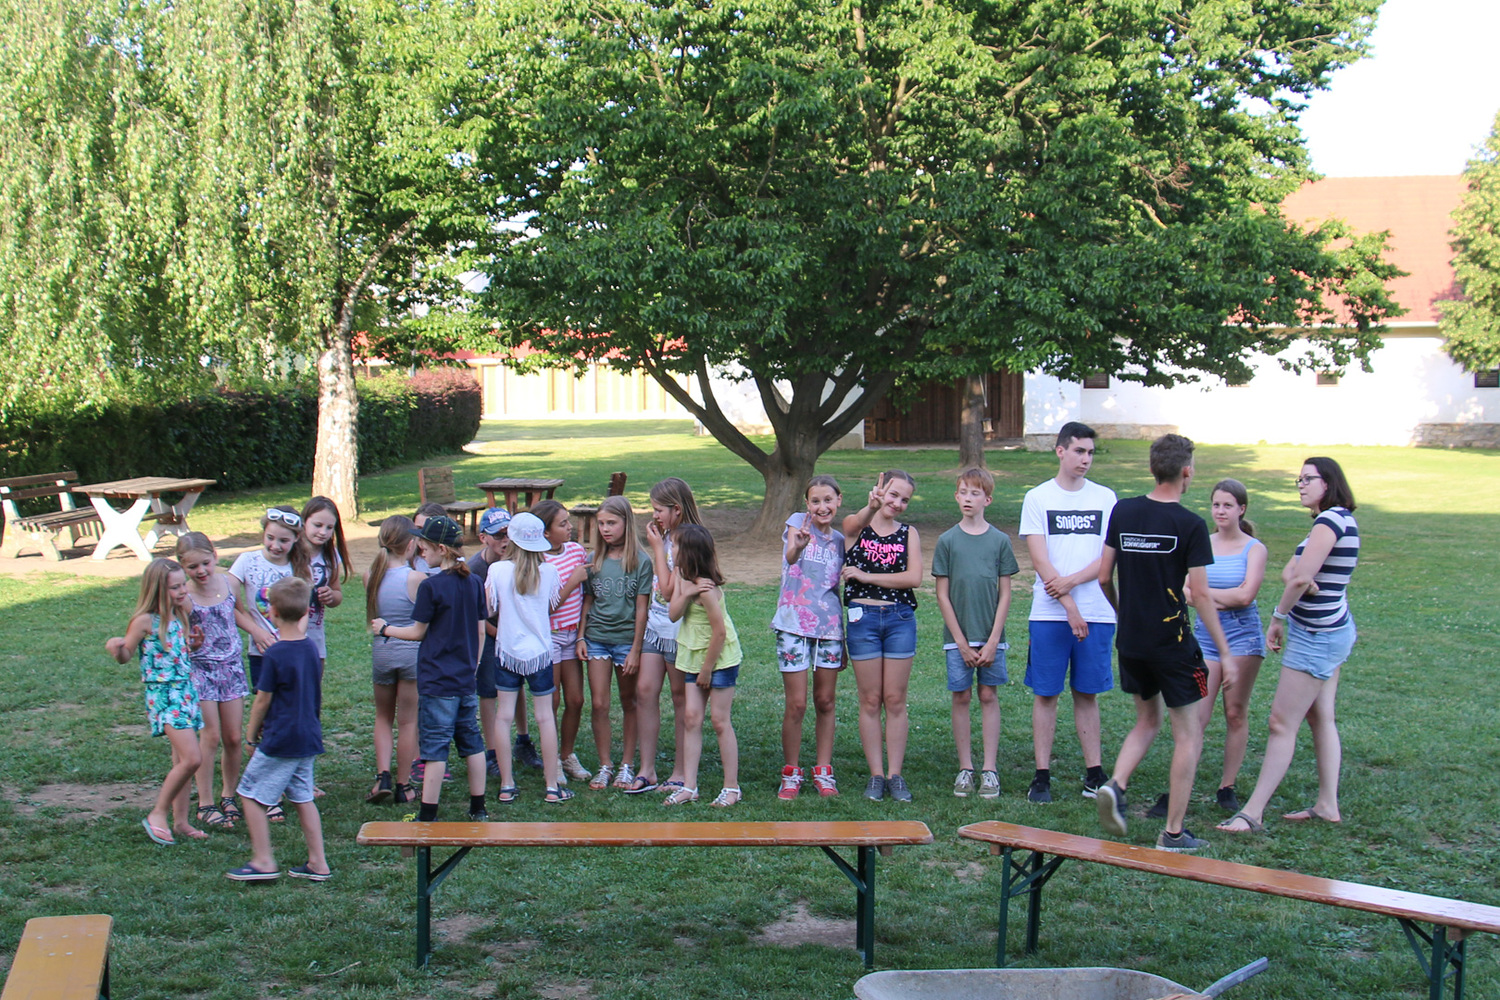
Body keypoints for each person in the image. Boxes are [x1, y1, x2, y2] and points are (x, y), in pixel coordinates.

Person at [1094, 434, 1231, 852]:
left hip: (1131, 642)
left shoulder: (1123, 510)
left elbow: (1103, 577)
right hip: (1173, 645)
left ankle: (1116, 784)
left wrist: (1123, 614)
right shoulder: (1191, 525)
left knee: (1146, 720)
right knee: (1188, 735)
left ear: (1153, 468)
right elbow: (1201, 594)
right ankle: (1173, 833)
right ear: (1186, 471)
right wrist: (1226, 653)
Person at [1218, 458, 1359, 834]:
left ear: (1328, 483)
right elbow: (1290, 573)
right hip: (1330, 630)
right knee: (1320, 716)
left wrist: (1278, 616)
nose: (1301, 485)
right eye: (1299, 479)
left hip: (1317, 636)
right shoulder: (1334, 521)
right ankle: (1327, 805)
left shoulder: (1329, 523)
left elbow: (1298, 578)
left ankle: (1252, 813)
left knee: (1281, 723)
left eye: (1308, 479)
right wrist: (1300, 578)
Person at [1019, 422, 1117, 804]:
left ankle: (1095, 774)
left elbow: (1107, 557)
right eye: (1079, 451)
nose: (1085, 459)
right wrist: (1069, 606)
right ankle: (1041, 776)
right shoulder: (1038, 497)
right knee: (1046, 694)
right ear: (1060, 451)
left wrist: (1072, 584)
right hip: (1049, 614)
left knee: (1086, 693)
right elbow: (1040, 559)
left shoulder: (1106, 498)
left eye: (1090, 452)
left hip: (1097, 612)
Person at [371, 515, 489, 822]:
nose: (420, 551)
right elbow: (480, 631)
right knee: (472, 742)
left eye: (424, 546)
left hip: (437, 681)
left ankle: (427, 814)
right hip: (465, 680)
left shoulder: (431, 586)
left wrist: (385, 629)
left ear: (441, 549)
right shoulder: (474, 582)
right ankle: (478, 808)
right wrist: (473, 667)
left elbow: (417, 632)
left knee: (435, 747)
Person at [225, 576, 331, 881]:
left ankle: (263, 861)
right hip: (308, 736)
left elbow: (262, 700)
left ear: (271, 612)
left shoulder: (274, 653)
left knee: (249, 794)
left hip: (281, 738)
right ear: (306, 611)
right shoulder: (310, 648)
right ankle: (318, 863)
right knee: (302, 797)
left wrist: (250, 736)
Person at [105, 558, 205, 846]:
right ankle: (157, 813)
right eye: (175, 587)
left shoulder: (181, 613)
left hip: (186, 692)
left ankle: (181, 822)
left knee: (182, 761)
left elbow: (179, 650)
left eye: (183, 584)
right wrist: (117, 649)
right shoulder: (145, 621)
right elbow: (126, 655)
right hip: (164, 696)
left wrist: (194, 644)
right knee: (192, 758)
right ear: (157, 590)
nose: (183, 590)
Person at [933, 468, 1018, 799]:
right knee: (962, 696)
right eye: (963, 492)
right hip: (958, 639)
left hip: (991, 636)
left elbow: (1006, 593)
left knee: (988, 696)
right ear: (956, 496)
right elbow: (942, 595)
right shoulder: (947, 541)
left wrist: (994, 640)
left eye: (975, 493)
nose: (968, 499)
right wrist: (961, 642)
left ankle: (990, 770)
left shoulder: (1000, 541)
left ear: (988, 500)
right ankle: (965, 767)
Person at [842, 471, 923, 802]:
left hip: (899, 619)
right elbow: (850, 526)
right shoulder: (856, 526)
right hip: (862, 620)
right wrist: (871, 507)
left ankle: (895, 775)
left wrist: (866, 576)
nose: (898, 503)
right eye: (893, 495)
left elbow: (914, 578)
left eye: (905, 499)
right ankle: (876, 775)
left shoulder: (909, 533)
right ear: (879, 490)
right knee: (870, 699)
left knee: (895, 699)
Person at [1190, 480, 1268, 814]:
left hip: (1242, 636)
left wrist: (1206, 597)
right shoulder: (1201, 544)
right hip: (1205, 636)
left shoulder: (1254, 549)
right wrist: (1220, 598)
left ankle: (1227, 786)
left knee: (1235, 711)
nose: (1220, 511)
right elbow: (1186, 591)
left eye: (1227, 505)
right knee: (1197, 715)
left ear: (1241, 509)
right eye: (1216, 505)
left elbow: (1246, 596)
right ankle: (1183, 782)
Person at [485, 511, 573, 803]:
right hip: (540, 653)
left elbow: (489, 608)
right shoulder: (549, 571)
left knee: (503, 716)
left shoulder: (497, 570)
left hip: (507, 650)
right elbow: (550, 605)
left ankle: (506, 785)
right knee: (545, 718)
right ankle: (552, 786)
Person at [773, 475, 846, 799]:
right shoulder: (797, 525)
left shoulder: (840, 541)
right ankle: (791, 772)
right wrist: (799, 546)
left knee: (825, 701)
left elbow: (836, 587)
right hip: (793, 624)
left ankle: (823, 770)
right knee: (797, 703)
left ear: (839, 500)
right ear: (807, 504)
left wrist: (843, 637)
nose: (822, 507)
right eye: (815, 501)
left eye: (828, 500)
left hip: (829, 628)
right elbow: (791, 556)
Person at [628, 478, 702, 794]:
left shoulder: (688, 540)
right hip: (655, 626)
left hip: (679, 629)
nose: (654, 515)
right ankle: (647, 770)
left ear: (677, 509)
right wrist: (659, 543)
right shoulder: (667, 535)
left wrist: (657, 548)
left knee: (679, 696)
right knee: (645, 690)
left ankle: (681, 771)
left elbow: (670, 590)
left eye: (659, 510)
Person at [574, 496, 652, 791]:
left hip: (625, 642)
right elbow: (587, 600)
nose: (605, 529)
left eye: (611, 523)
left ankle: (627, 765)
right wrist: (581, 635)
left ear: (626, 523)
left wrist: (635, 649)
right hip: (596, 639)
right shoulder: (593, 559)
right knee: (599, 703)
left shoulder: (641, 562)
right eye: (601, 523)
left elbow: (642, 609)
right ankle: (605, 764)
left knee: (629, 701)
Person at [175, 533, 250, 831]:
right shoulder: (183, 596)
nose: (201, 571)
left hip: (231, 669)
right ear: (182, 567)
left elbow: (237, 613)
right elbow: (178, 635)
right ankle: (205, 802)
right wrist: (189, 643)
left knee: (233, 737)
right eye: (193, 567)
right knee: (210, 736)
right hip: (201, 671)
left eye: (205, 563)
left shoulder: (229, 583)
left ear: (215, 556)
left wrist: (259, 632)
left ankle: (228, 795)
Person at [666, 524, 743, 807]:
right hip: (693, 657)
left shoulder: (707, 589)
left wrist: (707, 670)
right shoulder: (681, 576)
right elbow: (673, 614)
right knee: (691, 719)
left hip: (718, 659)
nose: (671, 550)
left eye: (675, 546)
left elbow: (720, 633)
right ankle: (689, 786)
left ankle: (731, 788)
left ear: (689, 552)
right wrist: (686, 592)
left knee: (719, 721)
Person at [531, 499, 592, 784]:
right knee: (552, 700)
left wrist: (580, 634)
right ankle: (551, 757)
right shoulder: (537, 561)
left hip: (571, 636)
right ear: (545, 532)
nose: (570, 527)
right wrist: (572, 581)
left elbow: (586, 596)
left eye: (568, 521)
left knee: (576, 699)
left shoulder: (576, 551)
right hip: (550, 636)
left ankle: (567, 754)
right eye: (563, 524)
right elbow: (543, 608)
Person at [364, 515, 421, 806]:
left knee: (383, 717)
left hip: (382, 653)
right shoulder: (416, 579)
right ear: (411, 545)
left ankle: (382, 776)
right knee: (408, 721)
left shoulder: (371, 576)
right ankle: (403, 784)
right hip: (411, 654)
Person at [228, 506, 309, 686]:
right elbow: (228, 602)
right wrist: (256, 632)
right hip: (261, 651)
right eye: (270, 538)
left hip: (293, 650)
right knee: (264, 698)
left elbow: (304, 611)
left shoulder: (299, 566)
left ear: (296, 538)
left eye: (284, 540)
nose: (276, 546)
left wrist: (291, 641)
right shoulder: (247, 561)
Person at [469, 506, 513, 780]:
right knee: (488, 691)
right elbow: (477, 615)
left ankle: (522, 740)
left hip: (511, 633)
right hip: (487, 634)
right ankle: (492, 751)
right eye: (498, 535)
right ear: (483, 538)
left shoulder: (517, 561)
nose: (505, 540)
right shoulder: (475, 569)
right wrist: (500, 634)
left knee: (514, 685)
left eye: (509, 533)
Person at [300, 496, 351, 670]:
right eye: (318, 525)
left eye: (329, 528)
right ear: (304, 521)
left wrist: (331, 596)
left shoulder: (331, 555)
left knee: (313, 682)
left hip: (314, 634)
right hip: (287, 633)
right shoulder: (291, 552)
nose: (323, 532)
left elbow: (337, 594)